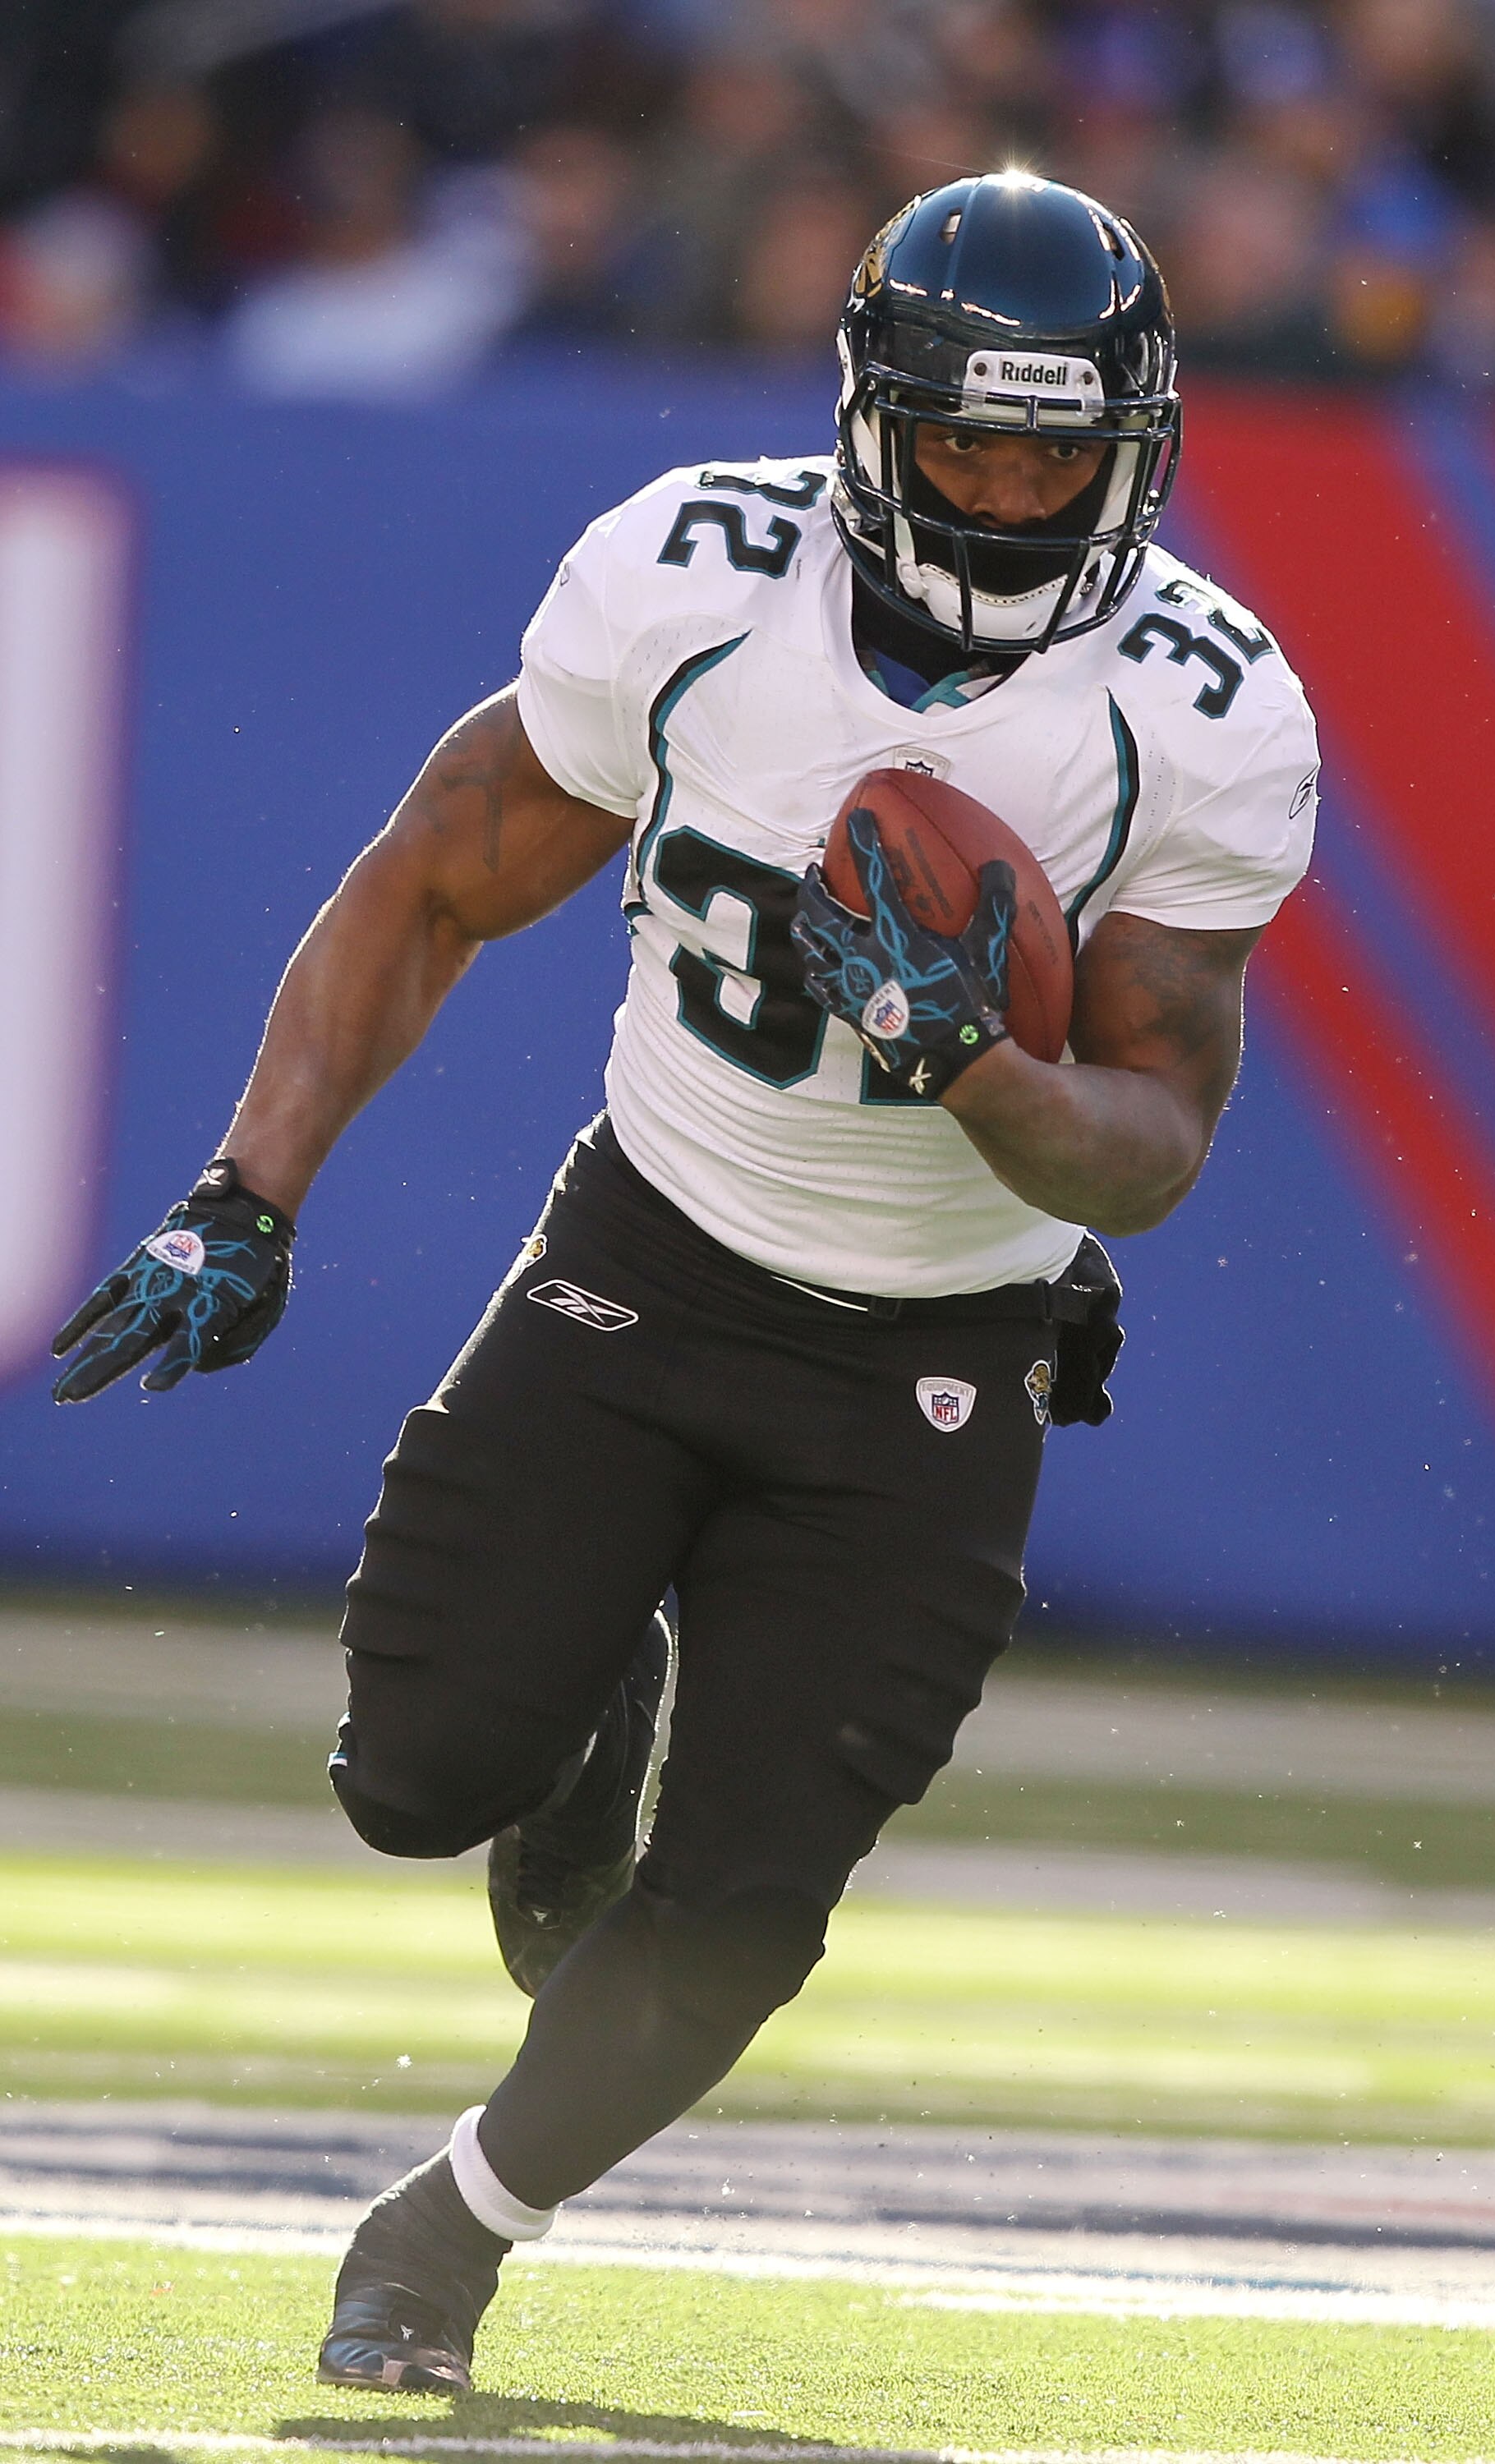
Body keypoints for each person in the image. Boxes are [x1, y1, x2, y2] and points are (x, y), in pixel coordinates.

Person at [50, 172, 1318, 2393]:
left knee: (743, 1911)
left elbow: (1154, 1144)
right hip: (653, 1254)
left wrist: (973, 1072)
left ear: (1139, 444)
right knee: (416, 1777)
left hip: (940, 1351)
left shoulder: (1198, 711)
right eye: (966, 443)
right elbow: (437, 875)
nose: (1012, 491)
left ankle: (440, 2241)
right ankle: (578, 1723)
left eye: (1055, 450)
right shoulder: (696, 578)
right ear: (868, 419)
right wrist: (243, 1192)